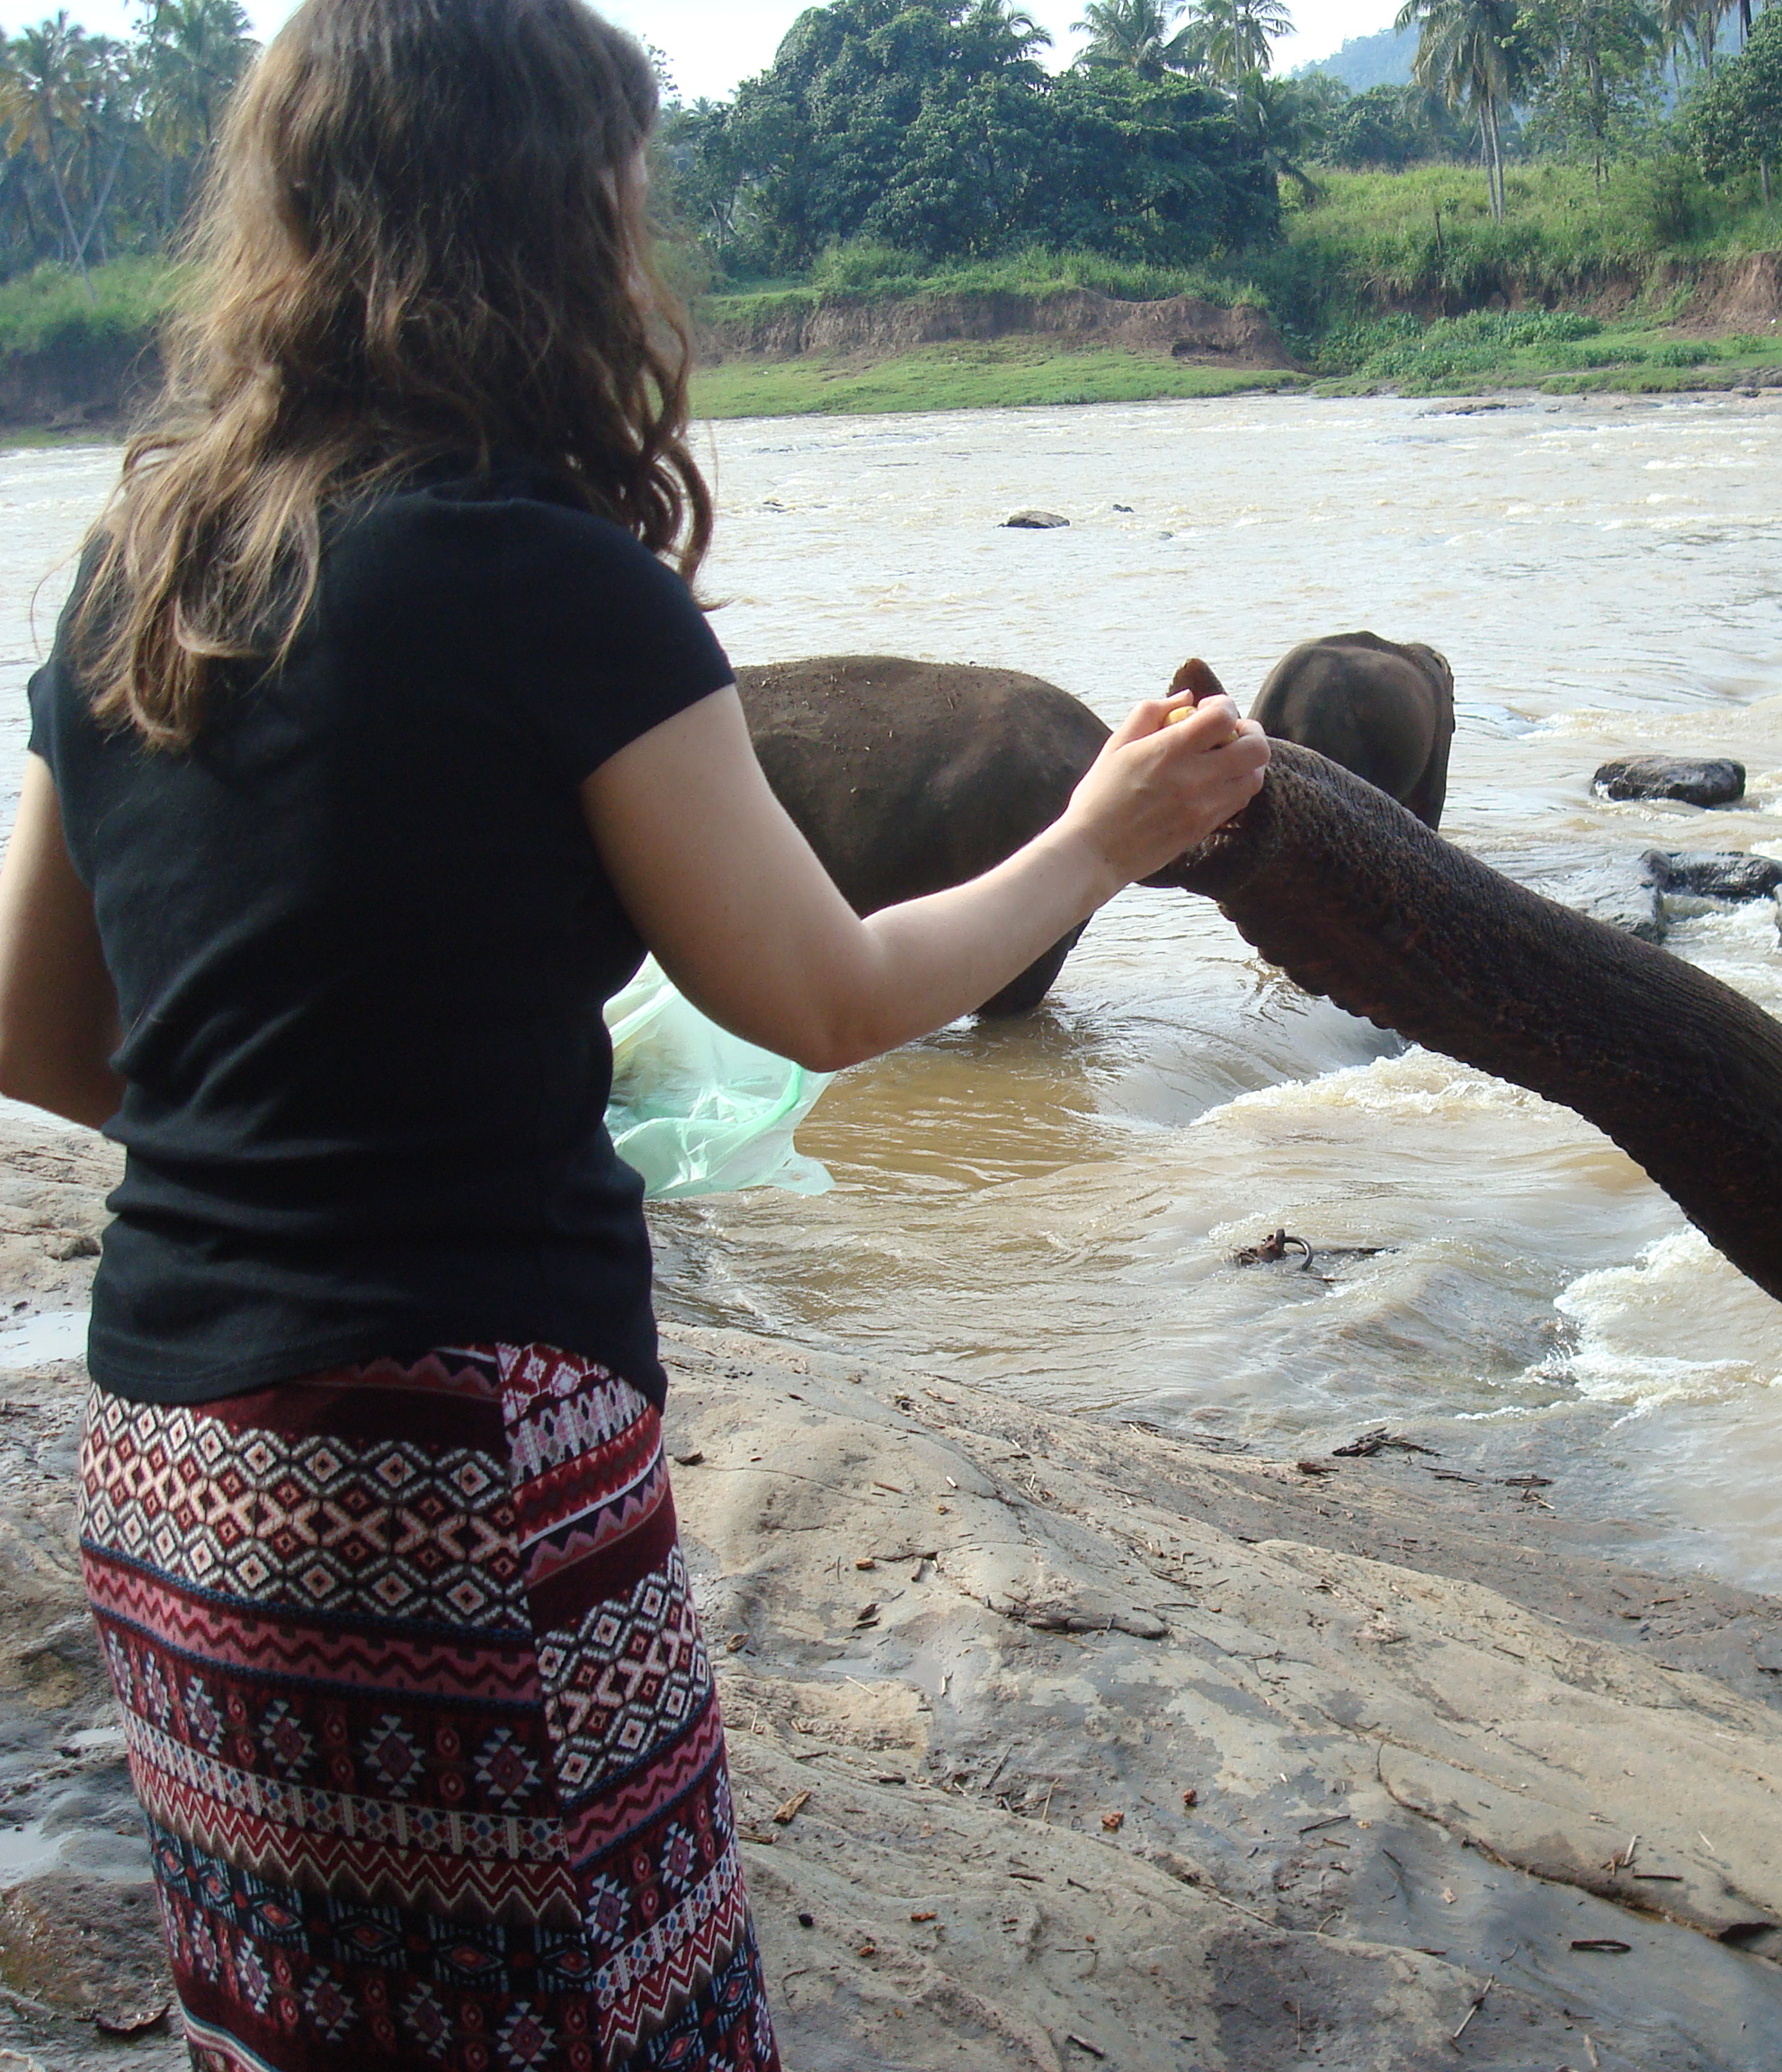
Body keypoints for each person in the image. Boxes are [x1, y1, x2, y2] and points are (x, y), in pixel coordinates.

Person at [0, 1, 1270, 2066]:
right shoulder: (547, 581)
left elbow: (33, 1031)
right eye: (625, 183)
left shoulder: (128, 570)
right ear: (547, 215)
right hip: (448, 1471)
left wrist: (292, 1137)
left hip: (163, 1465)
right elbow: (825, 994)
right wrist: (1100, 836)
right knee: (615, 2015)